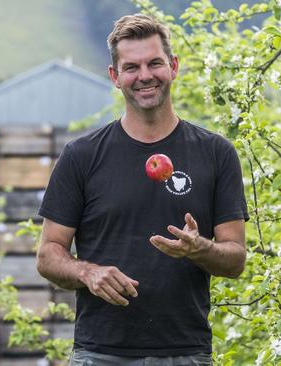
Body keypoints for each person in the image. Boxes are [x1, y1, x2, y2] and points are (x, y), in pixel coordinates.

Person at [36, 13, 249, 366]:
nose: (145, 76)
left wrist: (199, 248)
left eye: (155, 63)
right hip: (100, 354)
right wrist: (89, 273)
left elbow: (235, 259)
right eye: (131, 67)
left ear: (174, 67)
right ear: (115, 77)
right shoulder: (82, 156)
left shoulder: (216, 153)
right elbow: (47, 254)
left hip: (186, 353)